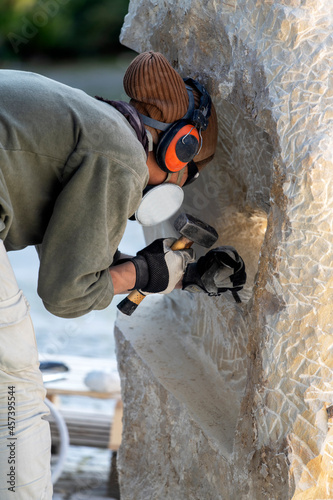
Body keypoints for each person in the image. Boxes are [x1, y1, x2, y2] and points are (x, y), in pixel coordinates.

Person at [0, 51, 246, 498]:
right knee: (11, 386)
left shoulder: (89, 118)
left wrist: (168, 275)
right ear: (180, 147)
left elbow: (71, 249)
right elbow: (66, 294)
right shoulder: (122, 155)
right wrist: (142, 272)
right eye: (185, 177)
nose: (172, 189)